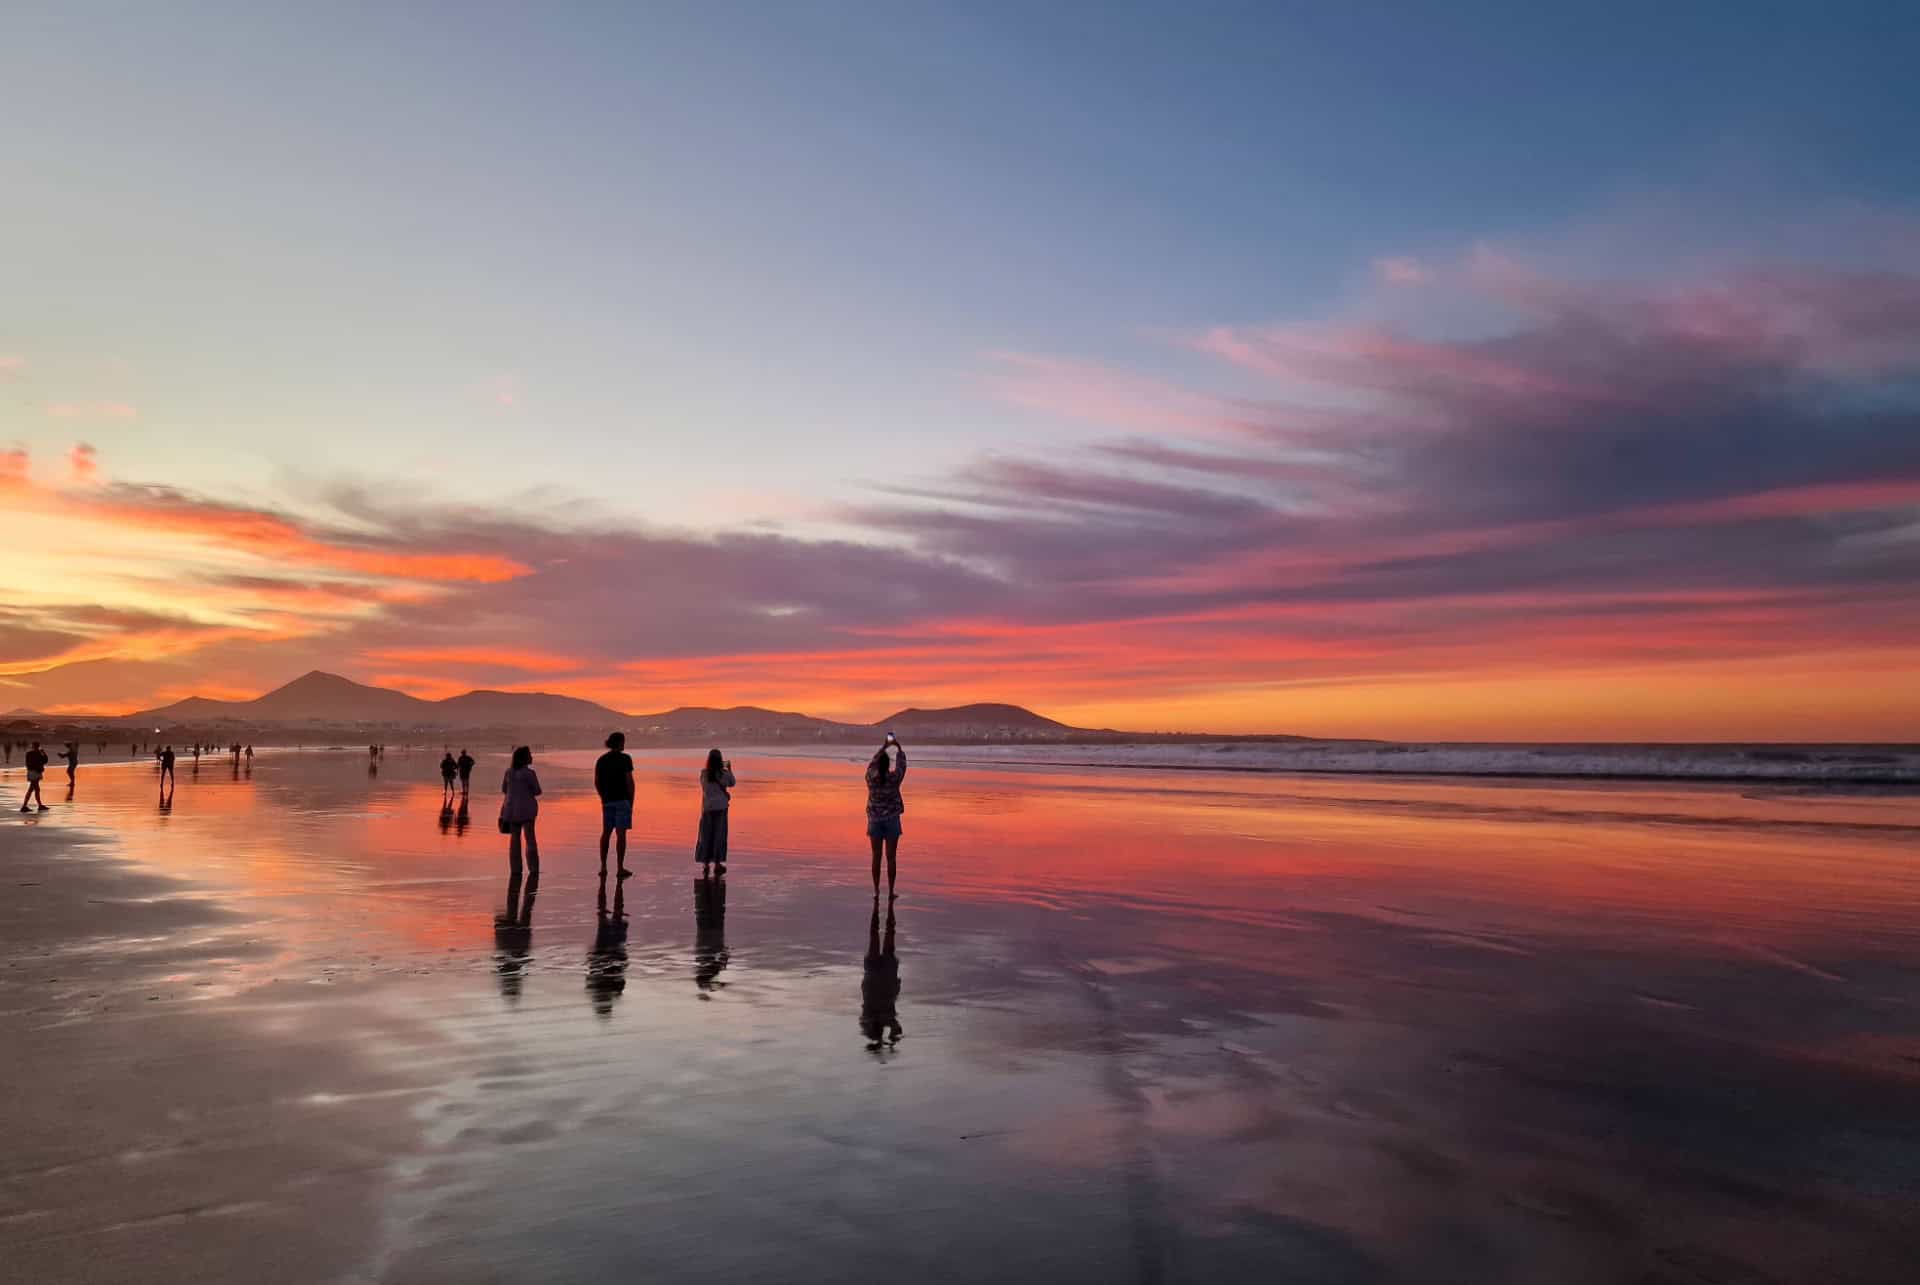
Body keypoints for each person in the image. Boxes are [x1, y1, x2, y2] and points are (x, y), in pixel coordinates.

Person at [865, 735, 907, 896]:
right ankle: (891, 891)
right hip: (891, 820)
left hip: (874, 820)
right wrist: (898, 748)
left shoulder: (870, 778)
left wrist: (883, 747)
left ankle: (876, 891)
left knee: (876, 857)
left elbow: (872, 763)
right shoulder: (893, 779)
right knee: (891, 858)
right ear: (888, 764)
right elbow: (902, 767)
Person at [860, 900, 903, 1050]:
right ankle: (886, 904)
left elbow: (895, 1030)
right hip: (885, 977)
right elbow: (897, 1031)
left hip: (878, 977)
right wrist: (890, 1044)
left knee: (879, 933)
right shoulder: (887, 1020)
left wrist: (885, 1043)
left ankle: (881, 904)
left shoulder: (871, 1021)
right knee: (883, 932)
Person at [594, 733, 635, 877]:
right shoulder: (625, 759)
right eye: (623, 742)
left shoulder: (602, 760)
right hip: (622, 800)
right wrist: (631, 802)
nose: (624, 744)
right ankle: (619, 868)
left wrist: (602, 796)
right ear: (619, 743)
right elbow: (629, 782)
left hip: (607, 801)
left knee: (606, 833)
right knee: (621, 834)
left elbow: (597, 782)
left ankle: (603, 867)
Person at [499, 745, 541, 877]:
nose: (532, 756)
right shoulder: (529, 773)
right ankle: (533, 869)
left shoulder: (508, 772)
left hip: (511, 809)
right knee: (530, 839)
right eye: (529, 754)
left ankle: (516, 869)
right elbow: (537, 791)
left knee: (515, 839)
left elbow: (504, 790)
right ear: (524, 758)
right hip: (527, 809)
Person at [694, 748, 735, 877]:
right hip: (721, 808)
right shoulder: (723, 774)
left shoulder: (704, 774)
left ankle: (705, 863)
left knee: (706, 836)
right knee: (719, 835)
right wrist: (729, 769)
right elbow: (732, 783)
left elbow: (705, 788)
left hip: (708, 808)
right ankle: (717, 864)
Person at [19, 742, 49, 811]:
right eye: (36, 746)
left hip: (34, 772)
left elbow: (45, 761)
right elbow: (44, 761)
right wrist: (43, 753)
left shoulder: (32, 753)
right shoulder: (33, 753)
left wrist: (43, 753)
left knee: (32, 789)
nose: (36, 747)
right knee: (36, 789)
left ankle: (25, 806)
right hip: (34, 773)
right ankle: (38, 805)